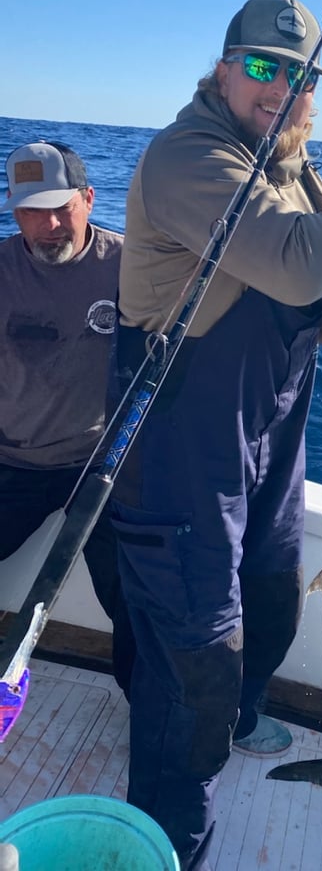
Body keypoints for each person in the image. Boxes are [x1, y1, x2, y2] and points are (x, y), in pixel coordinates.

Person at [110, 0, 322, 870]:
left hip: (269, 435)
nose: (279, 86)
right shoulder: (186, 157)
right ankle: (167, 835)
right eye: (263, 66)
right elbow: (296, 259)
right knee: (196, 659)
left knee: (273, 599)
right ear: (224, 67)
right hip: (179, 451)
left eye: (299, 74)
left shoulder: (296, 171)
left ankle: (236, 718)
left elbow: (320, 311)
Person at [0, 141, 125, 637]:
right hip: (12, 461)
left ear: (89, 199)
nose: (48, 227)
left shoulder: (131, 267)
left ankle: (152, 706)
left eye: (61, 209)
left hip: (101, 463)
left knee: (137, 594)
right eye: (31, 212)